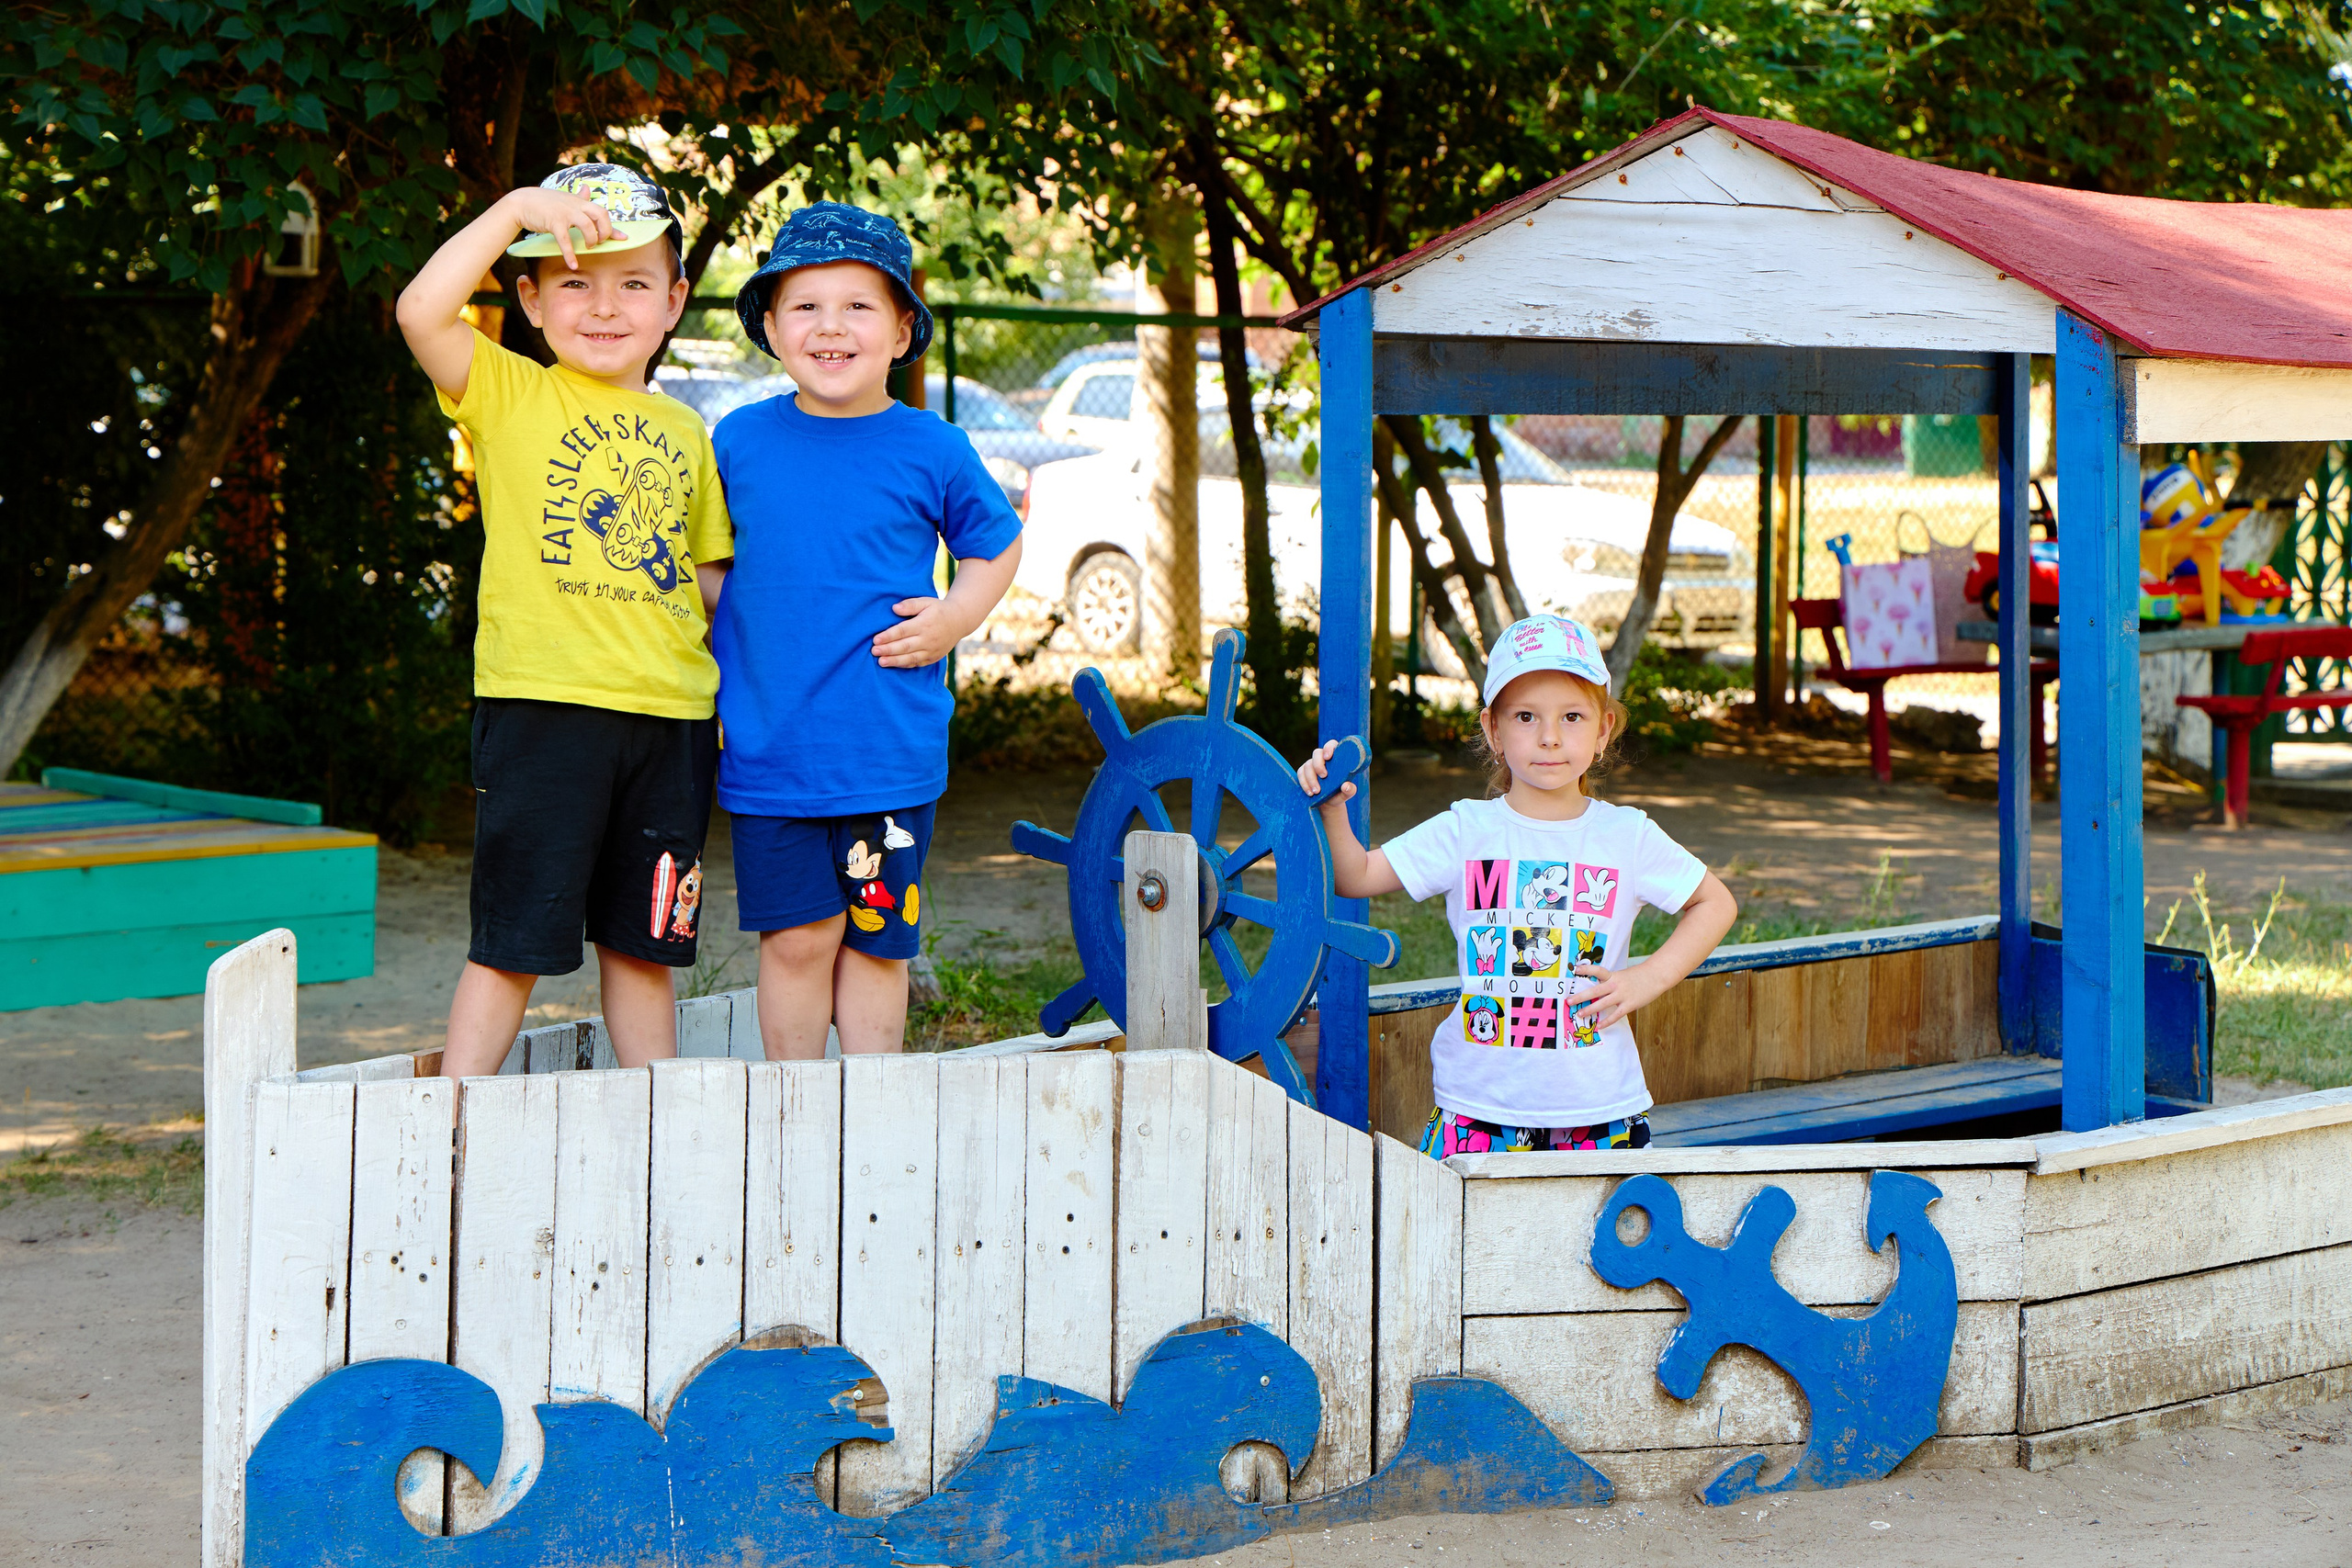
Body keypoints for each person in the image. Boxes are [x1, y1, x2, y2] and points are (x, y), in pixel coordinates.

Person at [395, 163, 733, 1077]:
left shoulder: (688, 431)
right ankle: (451, 1129)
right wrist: (514, 212)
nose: (605, 306)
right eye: (576, 283)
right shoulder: (508, 391)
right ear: (532, 301)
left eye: (634, 284)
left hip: (671, 721)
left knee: (644, 947)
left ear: (674, 301)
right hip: (545, 712)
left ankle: (658, 1125)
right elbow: (420, 313)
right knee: (513, 941)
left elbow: (707, 579)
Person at [710, 203, 1023, 1059]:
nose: (830, 326)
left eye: (858, 305)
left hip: (886, 750)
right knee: (798, 938)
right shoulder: (737, 440)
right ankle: (796, 1109)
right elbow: (704, 567)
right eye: (805, 306)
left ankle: (875, 1109)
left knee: (878, 940)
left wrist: (955, 616)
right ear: (771, 327)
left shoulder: (931, 445)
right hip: (770, 753)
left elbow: (996, 544)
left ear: (901, 330)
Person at [1297, 615, 1737, 1155]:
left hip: (1600, 1112)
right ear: (1494, 730)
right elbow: (1355, 876)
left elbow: (1715, 902)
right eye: (1526, 716)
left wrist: (1648, 978)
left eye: (1572, 716)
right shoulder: (1466, 829)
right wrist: (1332, 810)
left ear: (1603, 730)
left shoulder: (1628, 834)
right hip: (1477, 1111)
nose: (1550, 737)